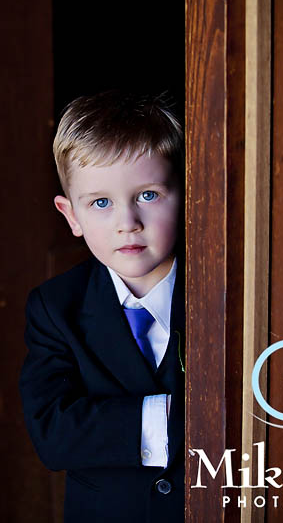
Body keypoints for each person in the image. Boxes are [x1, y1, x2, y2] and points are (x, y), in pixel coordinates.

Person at [19, 90, 185, 523]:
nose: (127, 222)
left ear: (186, 195)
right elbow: (53, 433)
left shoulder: (221, 295)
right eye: (101, 202)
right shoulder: (55, 308)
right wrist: (172, 417)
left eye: (148, 195)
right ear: (71, 215)